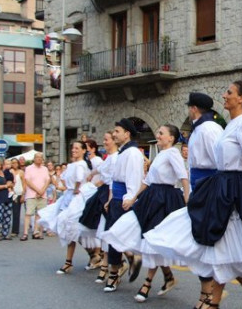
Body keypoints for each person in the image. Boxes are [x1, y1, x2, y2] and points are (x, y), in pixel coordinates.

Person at [146, 81, 242, 309]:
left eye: (229, 92)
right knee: (217, 242)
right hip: (221, 184)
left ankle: (213, 301)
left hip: (233, 187)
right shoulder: (231, 124)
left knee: (221, 242)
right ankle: (235, 293)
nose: (224, 95)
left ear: (241, 99)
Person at [102, 124, 190, 303]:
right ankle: (167, 276)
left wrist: (187, 199)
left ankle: (147, 283)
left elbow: (183, 177)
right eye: (158, 132)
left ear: (171, 138)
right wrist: (134, 197)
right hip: (151, 196)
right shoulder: (159, 155)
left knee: (153, 239)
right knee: (132, 228)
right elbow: (148, 181)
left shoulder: (173, 153)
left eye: (161, 133)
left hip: (165, 198)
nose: (157, 135)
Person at [103, 118, 145, 292]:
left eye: (117, 131)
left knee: (115, 235)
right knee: (112, 235)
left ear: (127, 134)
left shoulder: (133, 153)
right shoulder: (123, 152)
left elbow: (134, 177)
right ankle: (126, 260)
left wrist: (130, 198)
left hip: (123, 200)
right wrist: (111, 198)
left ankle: (115, 272)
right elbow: (115, 178)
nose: (114, 134)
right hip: (117, 198)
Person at [81, 131, 119, 283]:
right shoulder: (109, 158)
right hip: (103, 192)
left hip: (109, 193)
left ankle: (111, 265)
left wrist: (109, 199)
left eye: (107, 139)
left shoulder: (116, 158)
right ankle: (106, 264)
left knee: (107, 230)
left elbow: (112, 180)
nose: (104, 142)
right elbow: (101, 169)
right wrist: (92, 174)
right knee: (102, 229)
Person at [50, 141, 93, 274]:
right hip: (69, 197)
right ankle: (94, 254)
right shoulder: (72, 165)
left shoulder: (80, 164)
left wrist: (75, 189)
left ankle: (69, 262)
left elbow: (80, 179)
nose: (73, 150)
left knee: (71, 227)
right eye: (72, 148)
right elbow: (63, 178)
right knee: (74, 230)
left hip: (76, 199)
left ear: (83, 150)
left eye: (77, 148)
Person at [185, 92, 224, 193]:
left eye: (189, 108)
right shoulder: (199, 128)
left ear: (194, 109)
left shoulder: (209, 129)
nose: (188, 111)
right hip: (198, 180)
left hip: (207, 182)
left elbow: (219, 160)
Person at [23, 153, 50, 240]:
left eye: (41, 157)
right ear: (34, 159)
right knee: (28, 213)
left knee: (39, 214)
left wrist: (42, 191)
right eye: (37, 157)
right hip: (31, 194)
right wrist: (38, 190)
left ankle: (36, 232)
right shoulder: (29, 168)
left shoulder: (45, 169)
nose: (39, 159)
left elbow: (47, 180)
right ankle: (25, 233)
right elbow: (28, 181)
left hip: (43, 194)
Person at [9, 158, 25, 238]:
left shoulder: (21, 172)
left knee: (16, 213)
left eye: (15, 163)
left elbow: (24, 184)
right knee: (8, 212)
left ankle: (15, 230)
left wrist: (23, 195)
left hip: (18, 194)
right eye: (12, 163)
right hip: (11, 193)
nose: (14, 164)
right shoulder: (9, 172)